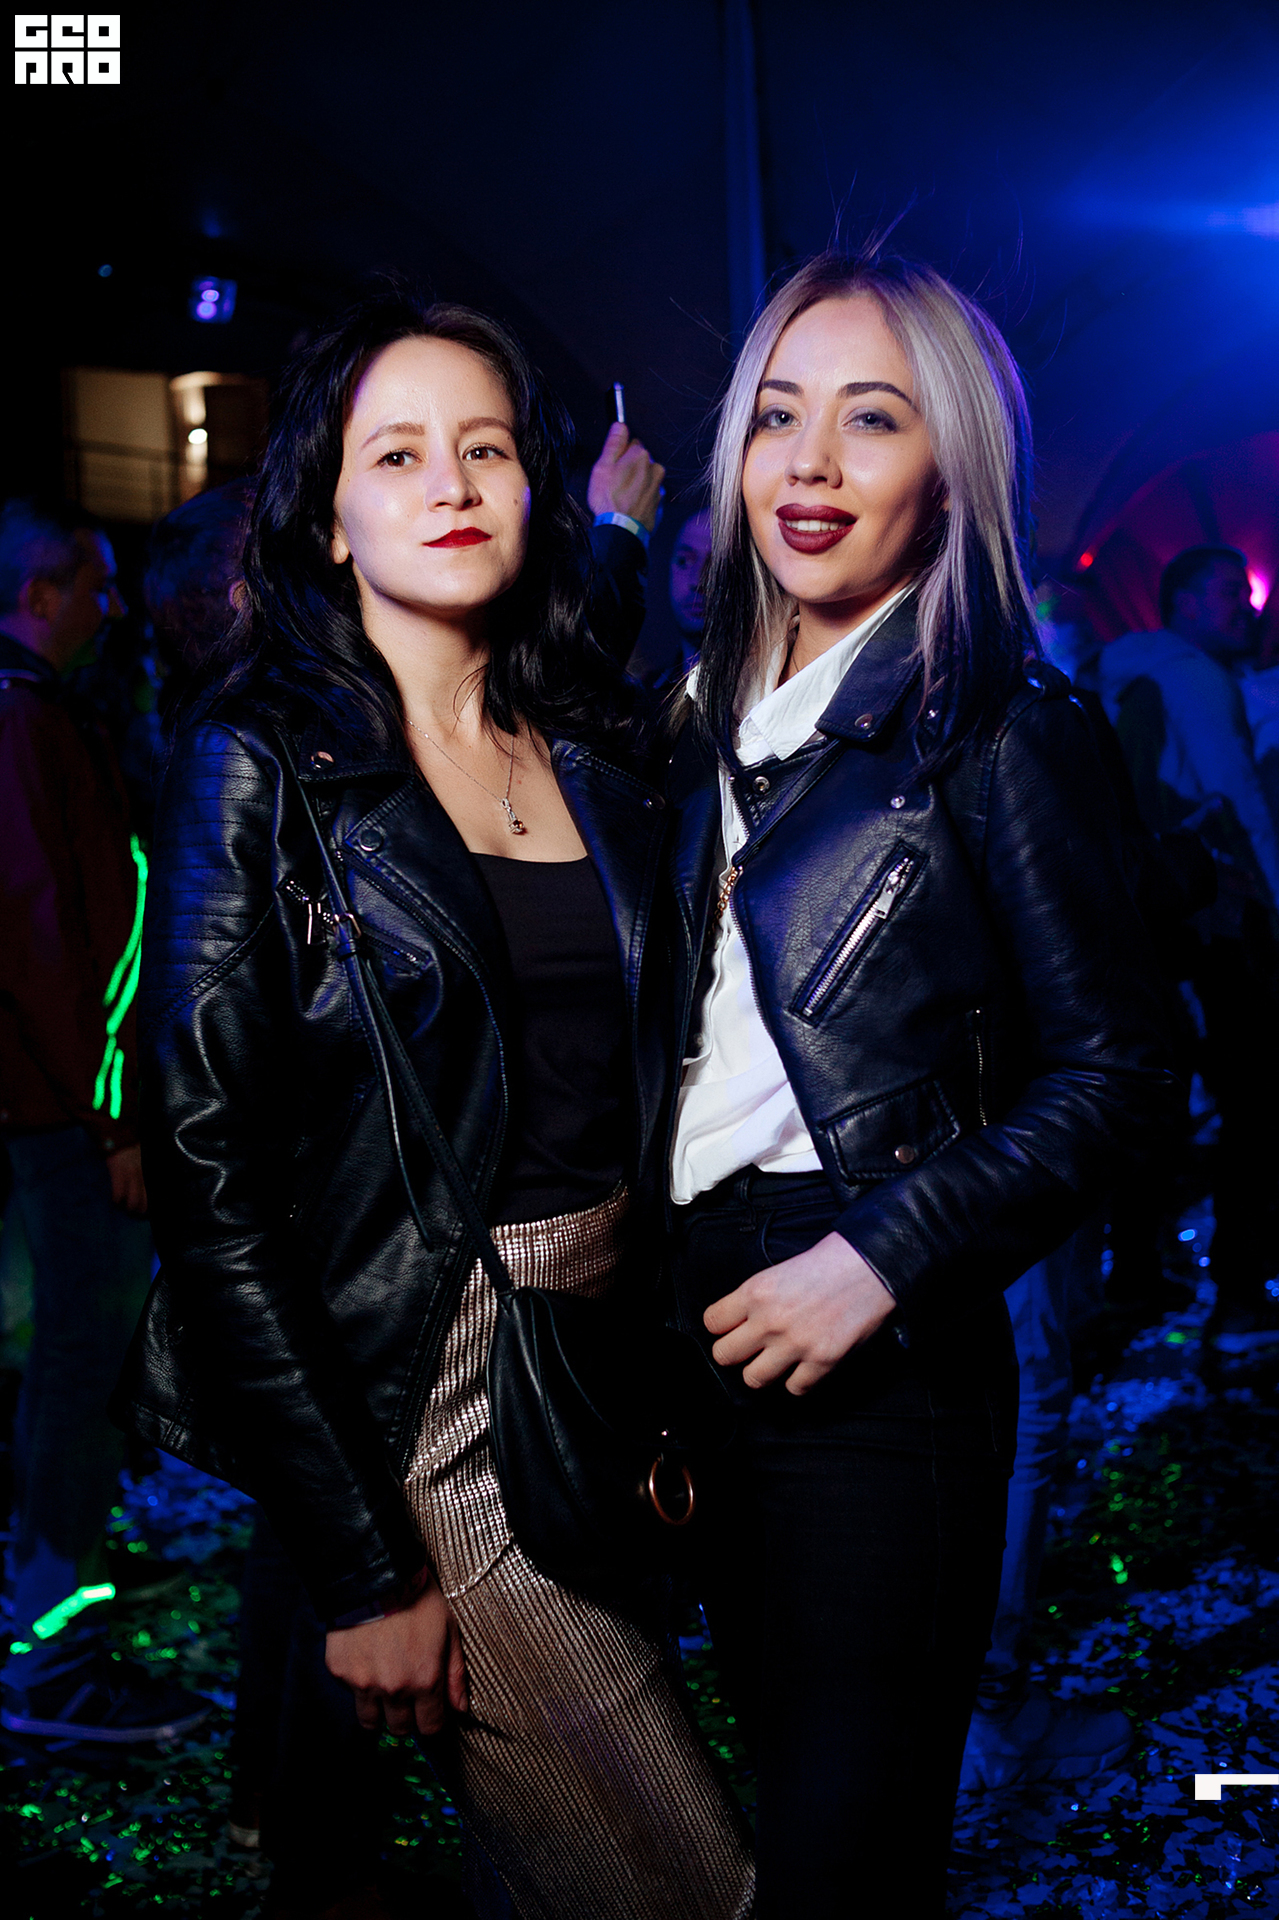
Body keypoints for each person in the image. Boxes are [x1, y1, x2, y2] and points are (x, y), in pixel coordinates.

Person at [113, 291, 752, 1920]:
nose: (451, 482)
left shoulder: (585, 739)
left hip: (602, 1364)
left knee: (550, 1872)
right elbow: (209, 1178)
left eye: (484, 446)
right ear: (327, 517)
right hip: (430, 1388)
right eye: (395, 454)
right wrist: (360, 1564)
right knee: (686, 1885)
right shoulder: (261, 760)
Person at [663, 252, 1173, 1916]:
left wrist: (877, 1258)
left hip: (873, 1353)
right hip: (687, 1326)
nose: (808, 463)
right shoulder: (693, 719)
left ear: (947, 469)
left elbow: (1118, 1077)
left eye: (869, 420)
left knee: (840, 1868)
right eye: (777, 417)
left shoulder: (1000, 725)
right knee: (756, 1824)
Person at [0, 498, 208, 1744]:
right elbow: (45, 939)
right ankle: (50, 1652)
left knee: (72, 1351)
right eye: (94, 584)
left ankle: (56, 1592)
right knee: (81, 1355)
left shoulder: (36, 709)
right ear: (40, 595)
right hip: (70, 1110)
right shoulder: (22, 718)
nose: (115, 606)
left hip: (61, 1100)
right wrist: (116, 1115)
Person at [1099, 547, 1279, 1347]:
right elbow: (1236, 798)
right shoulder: (1192, 676)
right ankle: (1238, 1294)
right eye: (1227, 592)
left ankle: (1136, 1276)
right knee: (1252, 1103)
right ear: (1182, 603)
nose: (1244, 606)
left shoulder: (1123, 673)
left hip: (1141, 921)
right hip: (1209, 919)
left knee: (1154, 1101)